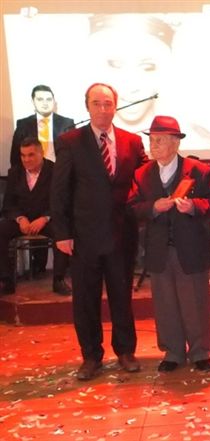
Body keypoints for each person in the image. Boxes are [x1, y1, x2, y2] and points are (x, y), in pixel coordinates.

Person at [51, 83, 148, 381]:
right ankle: (91, 356)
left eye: (108, 103)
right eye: (97, 103)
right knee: (85, 300)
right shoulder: (70, 141)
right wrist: (62, 233)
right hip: (84, 237)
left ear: (115, 106)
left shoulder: (133, 141)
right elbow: (60, 190)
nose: (103, 109)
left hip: (122, 235)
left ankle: (126, 351)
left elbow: (146, 179)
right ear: (87, 106)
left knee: (122, 296)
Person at [127, 115, 210, 372]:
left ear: (176, 143)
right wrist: (153, 207)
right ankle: (173, 352)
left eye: (160, 141)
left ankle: (200, 351)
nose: (153, 146)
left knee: (195, 301)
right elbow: (132, 208)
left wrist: (193, 207)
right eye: (151, 140)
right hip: (159, 249)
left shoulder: (198, 170)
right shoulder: (142, 174)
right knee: (165, 304)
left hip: (191, 247)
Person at [0, 138, 71, 295]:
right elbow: (8, 205)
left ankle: (58, 279)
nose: (26, 159)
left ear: (41, 153)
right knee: (1, 229)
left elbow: (62, 201)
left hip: (47, 219)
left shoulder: (55, 171)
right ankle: (6, 280)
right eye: (23, 155)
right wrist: (20, 218)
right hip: (22, 220)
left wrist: (45, 218)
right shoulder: (14, 173)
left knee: (62, 231)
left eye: (31, 155)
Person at [10, 85, 75, 167]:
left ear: (53, 101)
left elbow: (74, 154)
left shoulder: (67, 123)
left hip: (59, 170)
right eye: (40, 99)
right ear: (33, 101)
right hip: (33, 171)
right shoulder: (23, 124)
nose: (45, 103)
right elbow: (15, 156)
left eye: (49, 99)